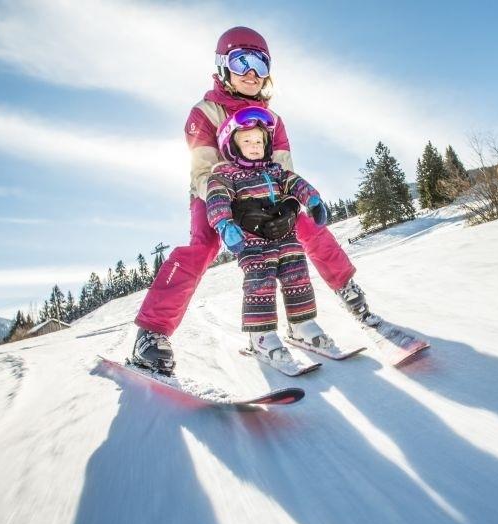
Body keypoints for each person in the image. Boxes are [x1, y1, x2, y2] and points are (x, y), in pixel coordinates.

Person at [132, 26, 375, 375]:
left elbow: (284, 169)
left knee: (305, 226)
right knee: (203, 246)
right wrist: (233, 209)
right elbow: (202, 171)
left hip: (266, 190)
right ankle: (150, 334)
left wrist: (288, 205)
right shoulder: (205, 112)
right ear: (223, 66)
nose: (251, 73)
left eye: (260, 65)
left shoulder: (273, 121)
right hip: (215, 193)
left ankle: (345, 289)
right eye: (241, 62)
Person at [206, 106, 333, 365]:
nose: (255, 146)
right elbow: (216, 197)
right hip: (251, 240)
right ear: (231, 145)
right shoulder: (225, 175)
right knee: (260, 280)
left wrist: (313, 200)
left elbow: (296, 183)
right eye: (247, 141)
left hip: (285, 235)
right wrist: (224, 224)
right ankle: (261, 335)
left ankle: (302, 324)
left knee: (297, 274)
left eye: (259, 141)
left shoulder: (275, 170)